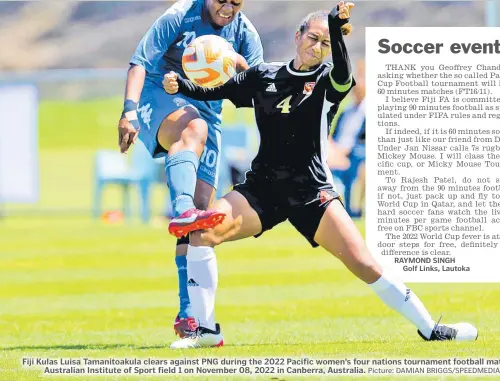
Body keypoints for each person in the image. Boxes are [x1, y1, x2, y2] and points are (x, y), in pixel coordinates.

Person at [163, 1, 478, 348]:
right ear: (298, 36)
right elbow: (218, 90)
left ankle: (430, 327)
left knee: (364, 263)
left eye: (325, 43)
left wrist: (334, 24)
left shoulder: (328, 81)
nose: (317, 47)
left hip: (312, 193)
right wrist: (181, 85)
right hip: (262, 189)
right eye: (313, 38)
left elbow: (344, 71)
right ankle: (207, 332)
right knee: (201, 232)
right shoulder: (264, 76)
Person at [117, 0, 264, 344]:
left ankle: (190, 317)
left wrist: (240, 66)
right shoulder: (179, 15)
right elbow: (139, 62)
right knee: (192, 132)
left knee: (199, 228)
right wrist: (129, 112)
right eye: (221, 0)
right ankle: (182, 210)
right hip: (160, 94)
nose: (228, 8)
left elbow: (260, 86)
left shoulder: (245, 32)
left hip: (209, 112)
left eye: (236, 2)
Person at [328, 59, 366, 217]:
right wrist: (333, 149)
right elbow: (333, 133)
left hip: (355, 152)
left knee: (358, 158)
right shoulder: (346, 111)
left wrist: (345, 152)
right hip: (337, 151)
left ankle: (352, 210)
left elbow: (364, 139)